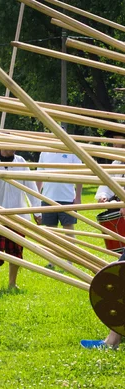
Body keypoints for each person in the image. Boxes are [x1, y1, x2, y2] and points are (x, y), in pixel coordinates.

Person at [81, 130, 125, 349]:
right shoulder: (117, 163)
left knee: (121, 277)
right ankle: (113, 339)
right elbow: (105, 186)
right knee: (120, 274)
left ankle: (112, 342)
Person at [0, 149, 42, 291]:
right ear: (1, 146)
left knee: (16, 250)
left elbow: (31, 188)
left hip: (18, 214)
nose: (13, 148)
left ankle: (12, 283)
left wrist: (37, 211)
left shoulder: (21, 162)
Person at [36, 151, 83, 270]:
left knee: (69, 231)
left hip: (67, 198)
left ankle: (70, 261)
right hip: (47, 197)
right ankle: (52, 260)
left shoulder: (72, 152)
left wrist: (78, 197)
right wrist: (37, 196)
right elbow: (39, 176)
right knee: (51, 231)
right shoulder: (44, 153)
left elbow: (80, 175)